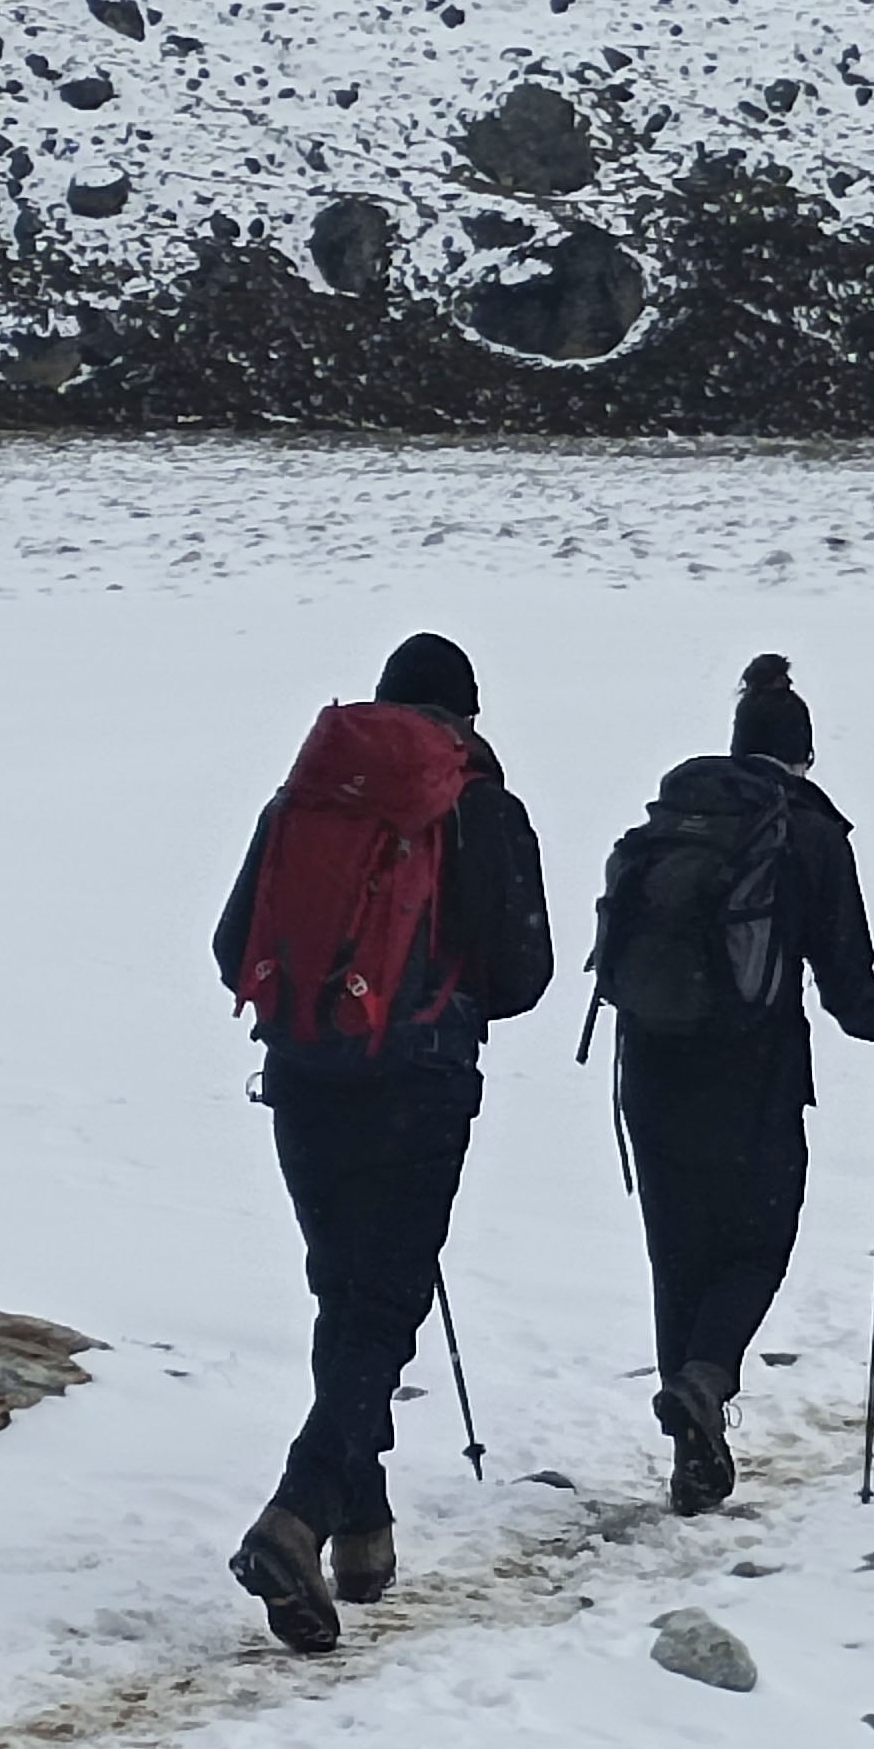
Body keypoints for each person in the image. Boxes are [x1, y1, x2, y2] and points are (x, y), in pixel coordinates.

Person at [211, 632, 553, 1653]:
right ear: (466, 719)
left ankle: (361, 1533)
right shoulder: (480, 805)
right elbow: (524, 973)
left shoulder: (303, 800)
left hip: (306, 1072)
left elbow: (238, 946)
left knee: (343, 1292)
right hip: (418, 1079)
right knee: (383, 1304)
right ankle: (300, 1511)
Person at [586, 654, 874, 1516]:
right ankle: (706, 1381)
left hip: (651, 1066)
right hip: (751, 1074)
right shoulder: (807, 832)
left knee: (678, 1255)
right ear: (803, 757)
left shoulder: (672, 819)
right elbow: (846, 989)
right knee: (759, 1241)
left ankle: (691, 1451)